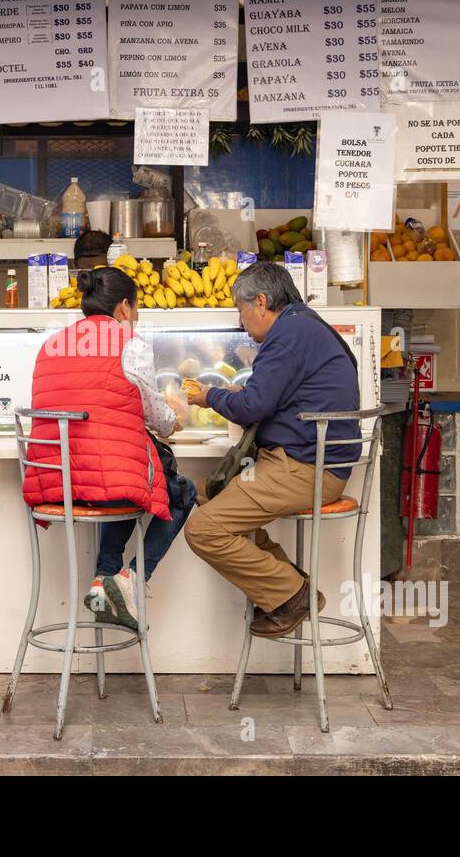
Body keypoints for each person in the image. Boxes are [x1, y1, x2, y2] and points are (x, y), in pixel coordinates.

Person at [184, 261, 360, 639]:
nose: (241, 321)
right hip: (302, 462)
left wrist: (209, 396)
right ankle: (289, 584)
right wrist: (239, 396)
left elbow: (253, 407)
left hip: (305, 468)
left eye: (241, 310)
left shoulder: (288, 333)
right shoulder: (306, 325)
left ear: (261, 302)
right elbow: (272, 396)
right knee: (207, 492)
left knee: (202, 529)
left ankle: (293, 594)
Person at [21, 267, 196, 629]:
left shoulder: (51, 343)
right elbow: (159, 419)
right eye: (135, 310)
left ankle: (103, 582)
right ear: (123, 308)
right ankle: (130, 581)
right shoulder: (129, 344)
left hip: (56, 484)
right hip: (103, 483)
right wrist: (177, 414)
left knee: (119, 483)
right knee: (178, 492)